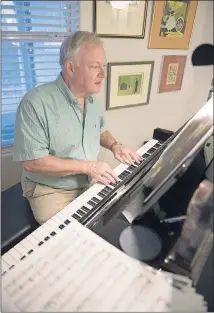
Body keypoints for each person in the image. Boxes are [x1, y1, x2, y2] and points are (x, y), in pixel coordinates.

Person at [13, 31, 143, 225]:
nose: (103, 74)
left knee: (116, 222)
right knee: (75, 240)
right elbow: (33, 162)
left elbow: (99, 130)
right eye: (94, 67)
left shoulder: (92, 99)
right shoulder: (35, 102)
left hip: (87, 181)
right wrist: (88, 166)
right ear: (70, 68)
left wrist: (116, 146)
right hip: (51, 190)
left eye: (103, 66)